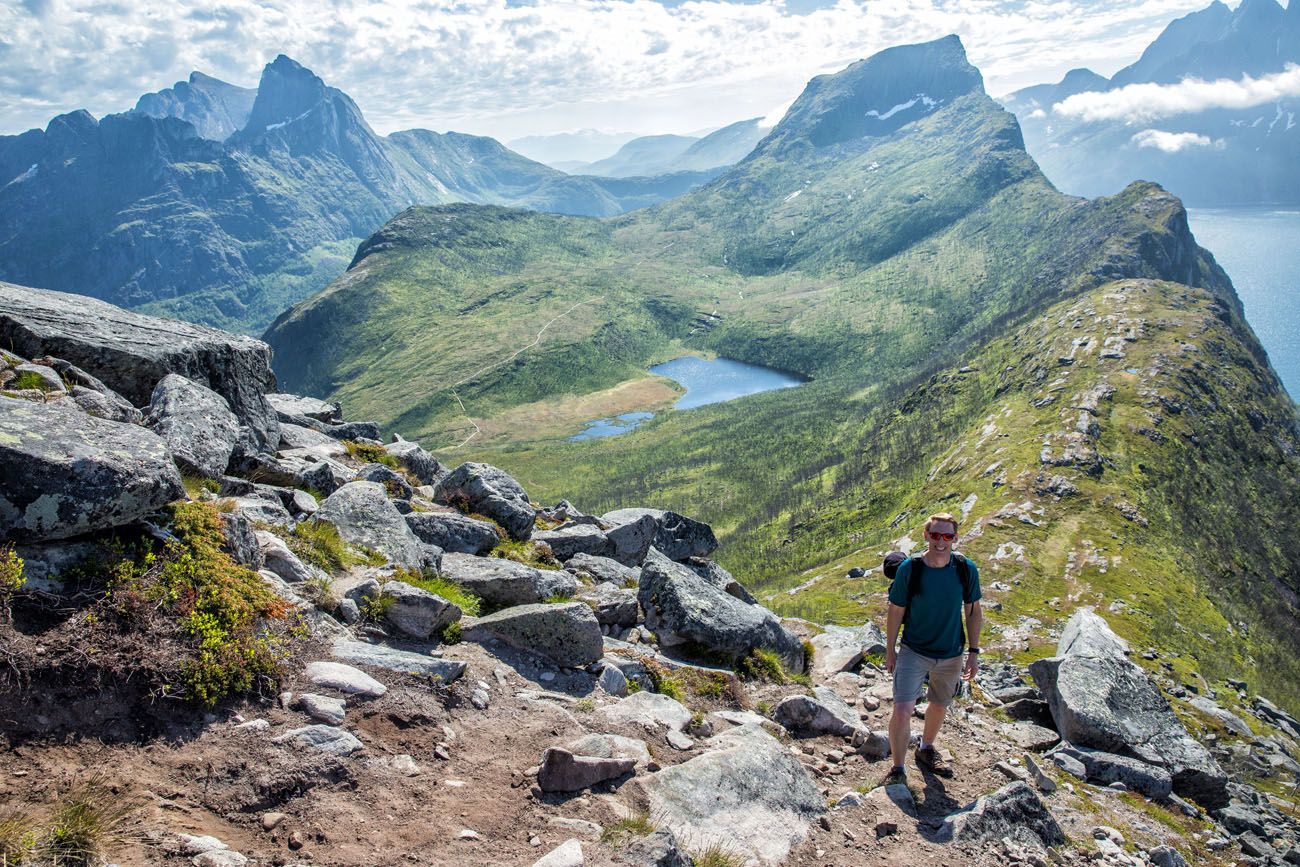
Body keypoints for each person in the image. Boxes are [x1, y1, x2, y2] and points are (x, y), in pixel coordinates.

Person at [883, 512, 982, 782]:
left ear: (955, 538)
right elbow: (896, 611)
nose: (941, 541)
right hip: (914, 650)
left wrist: (973, 653)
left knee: (939, 705)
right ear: (926, 535)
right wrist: (891, 650)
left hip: (951, 654)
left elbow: (973, 611)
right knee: (903, 708)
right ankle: (898, 769)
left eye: (947, 536)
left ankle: (926, 748)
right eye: (935, 535)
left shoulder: (965, 569)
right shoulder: (910, 569)